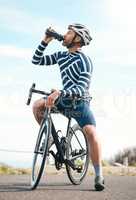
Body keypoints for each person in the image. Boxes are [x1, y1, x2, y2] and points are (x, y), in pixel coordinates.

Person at [32, 23, 105, 191]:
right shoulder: (61, 56)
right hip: (63, 100)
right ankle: (49, 137)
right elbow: (36, 60)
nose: (64, 35)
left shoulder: (85, 61)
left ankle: (99, 174)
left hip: (79, 103)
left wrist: (60, 92)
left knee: (91, 132)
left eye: (69, 33)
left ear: (77, 38)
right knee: (37, 106)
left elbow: (81, 88)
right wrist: (45, 41)